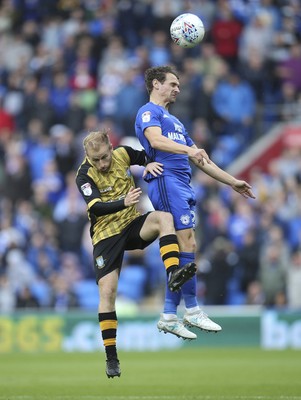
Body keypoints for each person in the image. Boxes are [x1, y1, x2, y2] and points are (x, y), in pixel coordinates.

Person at [135, 65, 256, 340]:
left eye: (179, 85)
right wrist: (189, 149)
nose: (178, 89)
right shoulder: (148, 112)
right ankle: (190, 309)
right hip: (166, 181)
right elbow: (154, 140)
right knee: (185, 240)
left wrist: (232, 181)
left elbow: (202, 159)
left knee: (187, 245)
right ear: (156, 84)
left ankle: (170, 314)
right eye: (173, 84)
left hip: (183, 184)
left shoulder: (176, 122)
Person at [75, 130, 197, 378]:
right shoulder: (84, 175)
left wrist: (148, 163)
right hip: (106, 236)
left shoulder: (123, 154)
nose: (101, 163)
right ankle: (111, 357)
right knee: (108, 292)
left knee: (164, 218)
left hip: (132, 226)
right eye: (95, 159)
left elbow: (144, 157)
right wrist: (124, 202)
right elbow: (96, 208)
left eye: (103, 157)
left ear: (111, 147)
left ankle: (173, 273)